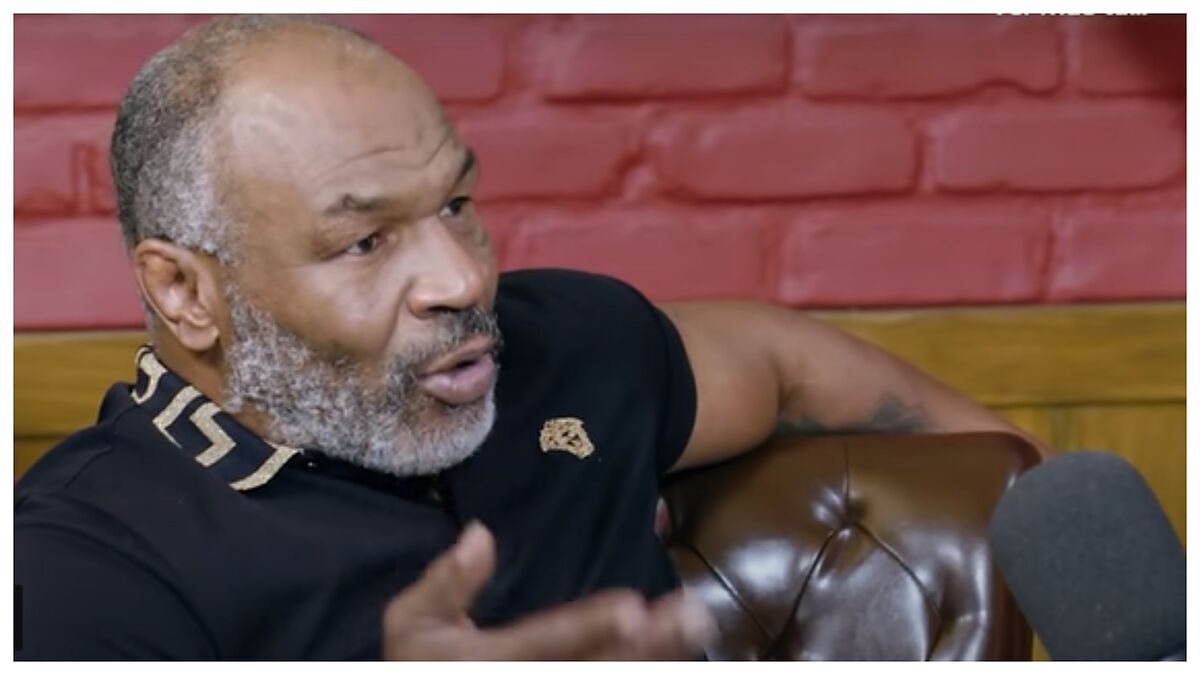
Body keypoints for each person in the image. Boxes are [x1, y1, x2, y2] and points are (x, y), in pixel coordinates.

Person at [14, 15, 1047, 660]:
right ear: (187, 292)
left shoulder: (567, 350)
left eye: (456, 204)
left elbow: (781, 362)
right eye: (365, 241)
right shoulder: (84, 563)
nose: (464, 279)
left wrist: (1048, 508)